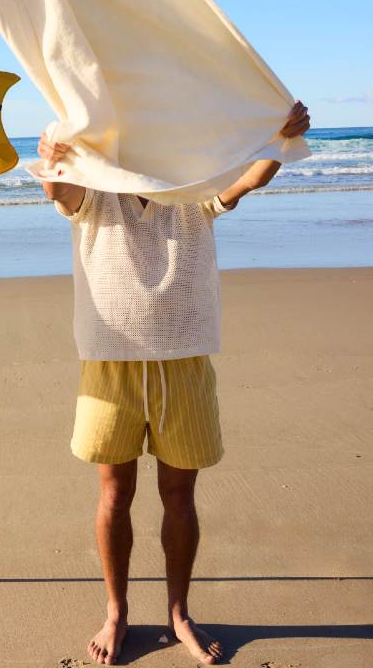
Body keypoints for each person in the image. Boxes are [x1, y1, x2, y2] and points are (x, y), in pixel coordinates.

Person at [39, 102, 310, 665]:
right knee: (114, 494)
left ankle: (178, 612)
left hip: (184, 360)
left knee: (178, 495)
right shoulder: (97, 189)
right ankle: (117, 614)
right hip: (110, 361)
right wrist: (57, 161)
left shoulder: (190, 190)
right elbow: (60, 194)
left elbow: (250, 178)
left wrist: (280, 140)